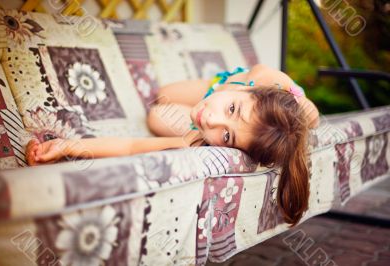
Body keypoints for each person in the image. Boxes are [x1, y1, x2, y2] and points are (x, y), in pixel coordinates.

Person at [25, 64, 320, 227]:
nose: (214, 122)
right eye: (231, 111)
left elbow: (131, 147)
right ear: (249, 90)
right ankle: (222, 93)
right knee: (162, 94)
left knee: (157, 113)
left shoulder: (200, 138)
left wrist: (69, 146)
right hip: (224, 83)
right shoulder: (266, 82)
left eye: (227, 137)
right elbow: (305, 113)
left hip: (226, 94)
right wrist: (303, 106)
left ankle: (229, 114)